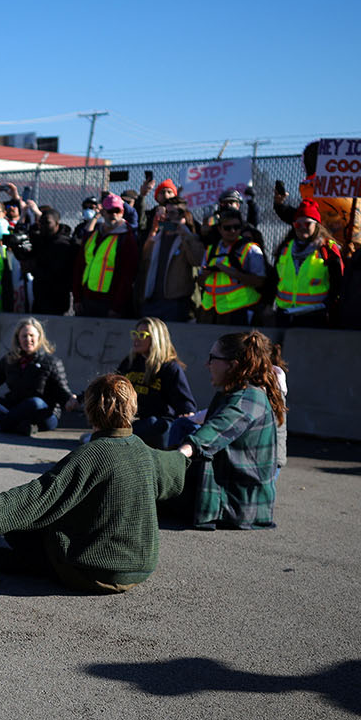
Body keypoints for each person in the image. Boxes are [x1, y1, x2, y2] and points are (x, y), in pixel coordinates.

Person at [0, 374, 188, 593]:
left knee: (19, 528)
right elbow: (174, 466)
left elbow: (40, 495)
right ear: (133, 408)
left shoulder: (92, 455)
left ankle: (36, 565)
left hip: (95, 571)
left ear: (90, 409)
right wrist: (187, 450)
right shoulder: (145, 451)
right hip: (141, 567)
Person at [176, 331, 283, 530]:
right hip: (227, 494)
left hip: (237, 506)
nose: (207, 365)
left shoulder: (247, 399)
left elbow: (210, 435)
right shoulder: (235, 393)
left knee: (142, 496)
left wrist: (174, 460)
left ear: (232, 365)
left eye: (212, 358)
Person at [274, 141, 361, 257]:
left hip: (337, 255)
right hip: (358, 251)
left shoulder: (316, 187)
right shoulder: (346, 184)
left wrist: (280, 206)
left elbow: (305, 219)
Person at [115, 319, 196, 447]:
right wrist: (79, 398)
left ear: (156, 339)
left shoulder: (169, 367)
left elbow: (186, 403)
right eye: (135, 333)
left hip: (157, 426)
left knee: (152, 424)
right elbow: (111, 385)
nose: (136, 338)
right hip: (133, 421)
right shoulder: (130, 362)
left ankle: (114, 439)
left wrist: (187, 413)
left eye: (142, 335)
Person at [270, 199, 343, 328]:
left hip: (314, 316)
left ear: (317, 225)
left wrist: (329, 306)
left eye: (307, 223)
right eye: (298, 224)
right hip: (285, 314)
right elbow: (275, 278)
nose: (302, 227)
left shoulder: (327, 249)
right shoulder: (286, 248)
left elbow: (338, 283)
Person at [135, 197, 205, 322]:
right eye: (166, 212)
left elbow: (197, 260)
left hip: (175, 303)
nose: (167, 217)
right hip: (152, 301)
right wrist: (153, 230)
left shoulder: (188, 239)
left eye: (172, 213)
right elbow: (145, 258)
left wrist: (185, 233)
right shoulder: (158, 237)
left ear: (183, 216)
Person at [195, 211, 268, 326]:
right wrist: (205, 274)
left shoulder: (251, 250)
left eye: (236, 227)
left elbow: (260, 282)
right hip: (211, 311)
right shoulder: (210, 250)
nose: (232, 231)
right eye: (227, 228)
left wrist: (228, 271)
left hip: (238, 311)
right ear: (219, 229)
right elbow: (201, 282)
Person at [73, 193, 138, 318]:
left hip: (109, 304)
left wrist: (116, 307)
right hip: (87, 299)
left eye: (117, 210)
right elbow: (80, 266)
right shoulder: (94, 235)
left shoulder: (127, 238)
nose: (113, 214)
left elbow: (127, 276)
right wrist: (77, 298)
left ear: (122, 212)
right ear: (103, 212)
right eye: (110, 211)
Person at [9, 205, 74, 316]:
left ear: (57, 224)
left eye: (47, 223)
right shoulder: (39, 239)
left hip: (58, 298)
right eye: (41, 223)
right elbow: (24, 253)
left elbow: (58, 272)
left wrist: (34, 267)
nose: (43, 226)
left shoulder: (64, 244)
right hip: (39, 294)